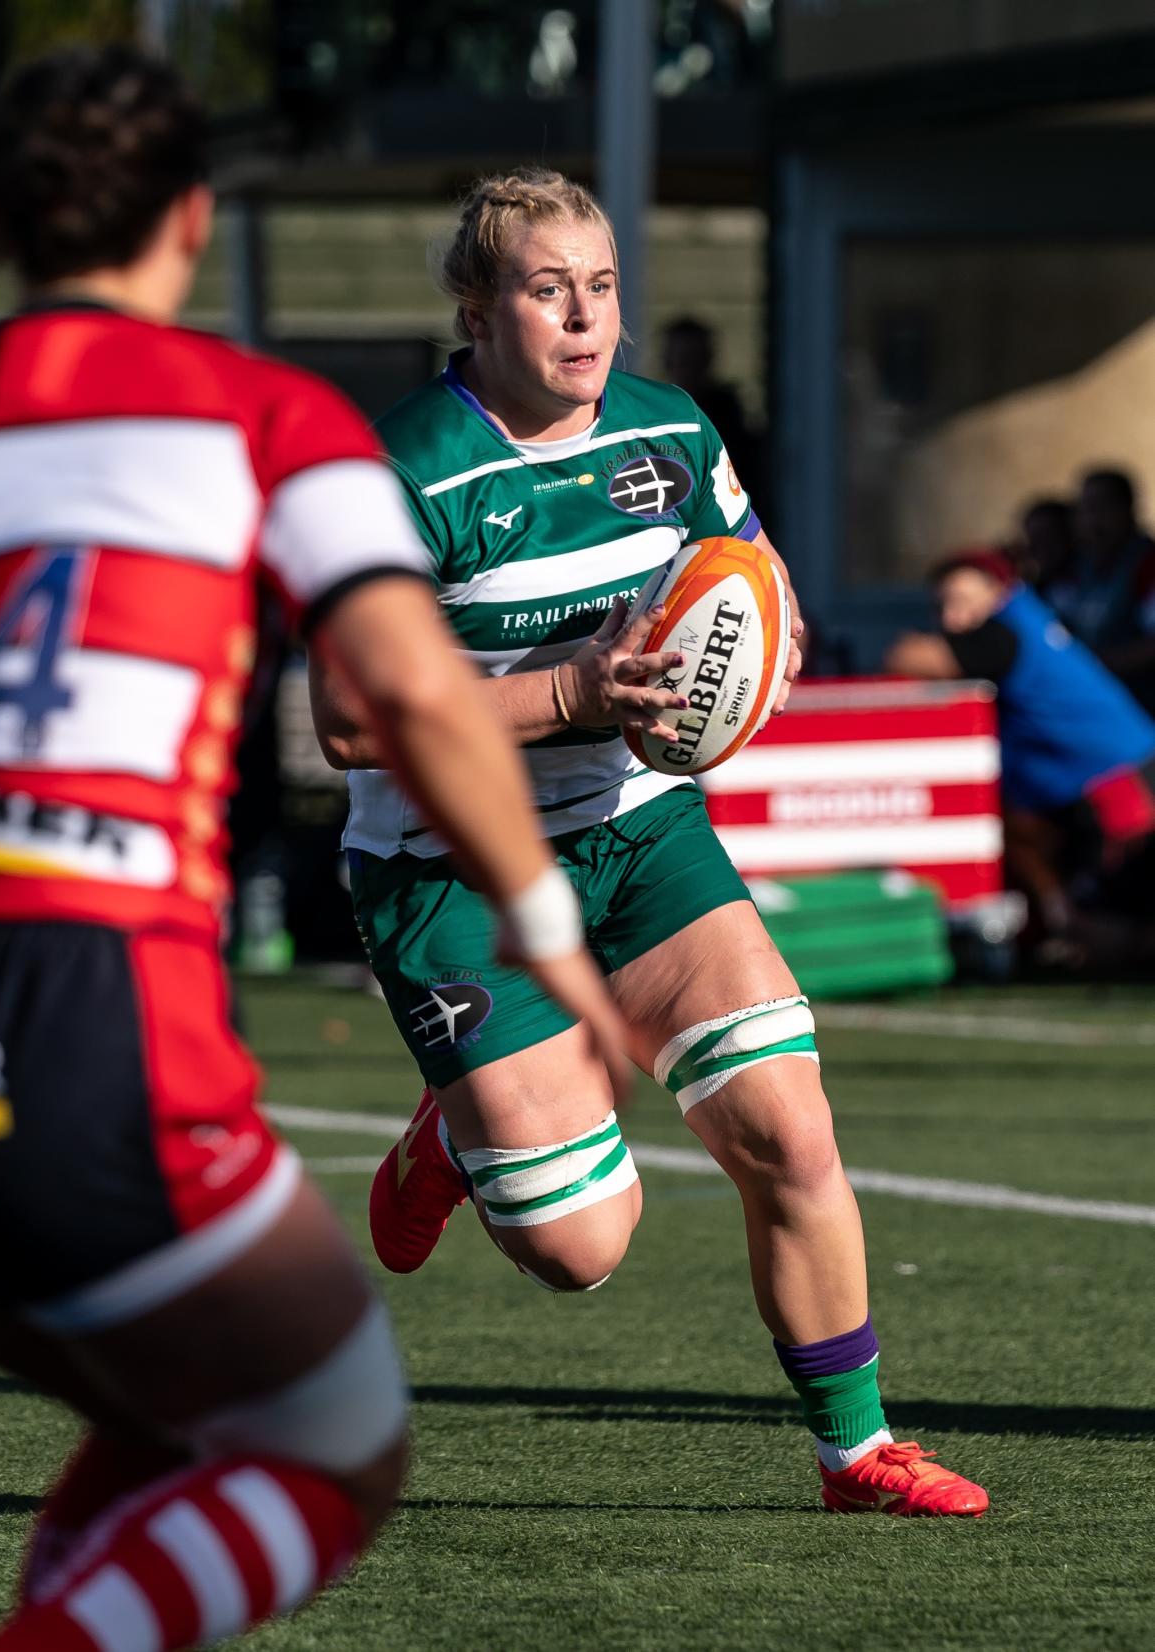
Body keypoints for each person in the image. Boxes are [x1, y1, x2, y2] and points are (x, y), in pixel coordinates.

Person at [0, 54, 629, 1652]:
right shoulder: (260, 418)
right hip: (84, 1000)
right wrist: (546, 926)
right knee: (334, 1446)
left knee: (171, 1412)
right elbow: (401, 692)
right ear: (190, 216)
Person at [316, 168, 988, 1518]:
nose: (583, 317)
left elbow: (749, 571)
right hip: (454, 872)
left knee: (788, 1131)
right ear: (477, 308)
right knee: (582, 1249)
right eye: (546, 289)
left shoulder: (671, 432)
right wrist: (570, 693)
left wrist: (763, 638)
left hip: (637, 832)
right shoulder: (397, 471)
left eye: (603, 286)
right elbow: (343, 718)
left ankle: (854, 1454)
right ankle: (449, 1141)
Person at [886, 550, 1155, 957]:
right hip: (1108, 773)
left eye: (961, 602)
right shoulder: (1029, 618)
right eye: (941, 606)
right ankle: (1063, 923)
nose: (950, 619)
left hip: (1114, 785)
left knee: (1119, 921)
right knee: (1020, 833)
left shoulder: (1002, 631)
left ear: (998, 592)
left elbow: (907, 658)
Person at [1055, 469, 1155, 714]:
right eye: (1086, 509)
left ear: (1128, 509)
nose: (1093, 520)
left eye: (1103, 507)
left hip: (1141, 711)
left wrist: (1095, 665)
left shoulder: (1147, 565)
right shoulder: (1078, 569)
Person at [661, 313, 762, 504]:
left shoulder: (729, 419)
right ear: (667, 362)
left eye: (696, 359)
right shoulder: (655, 417)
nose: (690, 369)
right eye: (683, 360)